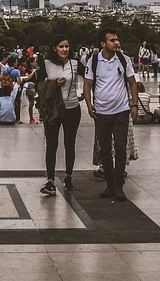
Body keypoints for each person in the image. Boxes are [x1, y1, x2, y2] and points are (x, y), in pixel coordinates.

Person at [83, 29, 138, 202]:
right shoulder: (93, 61)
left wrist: (134, 104)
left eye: (117, 39)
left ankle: (118, 185)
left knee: (121, 149)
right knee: (105, 150)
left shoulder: (123, 59)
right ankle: (109, 184)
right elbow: (87, 85)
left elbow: (132, 82)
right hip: (102, 112)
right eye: (112, 40)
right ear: (103, 44)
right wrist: (89, 104)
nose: (117, 42)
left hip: (121, 110)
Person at [37, 37, 84, 197]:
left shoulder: (75, 63)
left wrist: (86, 95)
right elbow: (38, 85)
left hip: (72, 108)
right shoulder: (46, 64)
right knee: (52, 145)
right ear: (54, 48)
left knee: (70, 144)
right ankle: (50, 180)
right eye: (61, 46)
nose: (64, 49)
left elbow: (90, 77)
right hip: (54, 109)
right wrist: (54, 85)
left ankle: (68, 176)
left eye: (67, 46)